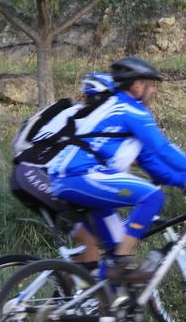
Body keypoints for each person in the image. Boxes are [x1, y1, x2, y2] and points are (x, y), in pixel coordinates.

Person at [49, 56, 186, 284]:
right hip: (79, 175)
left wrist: (184, 181)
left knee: (114, 249)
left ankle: (87, 311)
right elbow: (163, 147)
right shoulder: (129, 109)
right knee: (152, 197)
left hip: (78, 179)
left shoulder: (121, 114)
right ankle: (121, 262)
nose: (154, 91)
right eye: (151, 85)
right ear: (137, 85)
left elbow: (150, 160)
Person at [9, 72, 120, 267]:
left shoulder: (76, 114)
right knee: (90, 244)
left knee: (88, 245)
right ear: (103, 98)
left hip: (31, 174)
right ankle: (79, 294)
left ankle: (68, 294)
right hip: (34, 174)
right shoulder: (84, 119)